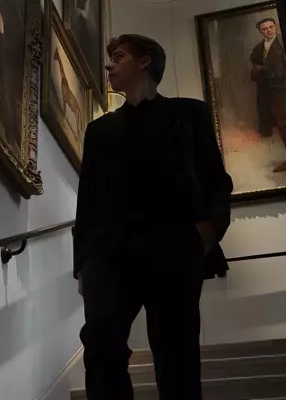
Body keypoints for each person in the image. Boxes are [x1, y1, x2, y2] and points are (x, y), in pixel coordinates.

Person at [73, 34, 233, 400]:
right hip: (108, 256)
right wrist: (82, 264)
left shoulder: (189, 113)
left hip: (173, 246)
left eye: (118, 57)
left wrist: (206, 232)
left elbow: (216, 180)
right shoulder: (98, 131)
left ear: (144, 61)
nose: (108, 65)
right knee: (101, 344)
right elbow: (88, 203)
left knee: (177, 359)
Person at [251, 18, 286, 172]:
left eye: (271, 27)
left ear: (275, 27)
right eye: (264, 29)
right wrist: (256, 71)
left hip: (283, 89)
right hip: (270, 93)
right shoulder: (258, 49)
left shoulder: (282, 43)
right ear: (260, 31)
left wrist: (264, 69)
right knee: (281, 124)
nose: (268, 30)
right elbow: (255, 71)